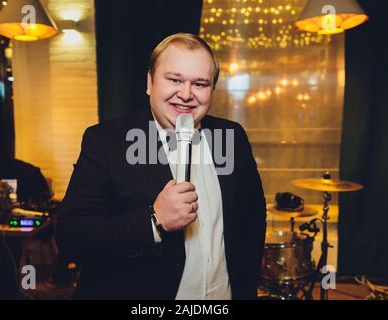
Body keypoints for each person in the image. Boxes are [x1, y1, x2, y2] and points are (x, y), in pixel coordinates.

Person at [56, 33, 266, 300]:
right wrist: (154, 221)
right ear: (150, 82)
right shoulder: (106, 142)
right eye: (175, 79)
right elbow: (71, 238)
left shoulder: (232, 136)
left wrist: (247, 284)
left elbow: (253, 214)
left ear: (212, 89)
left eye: (199, 83)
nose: (186, 94)